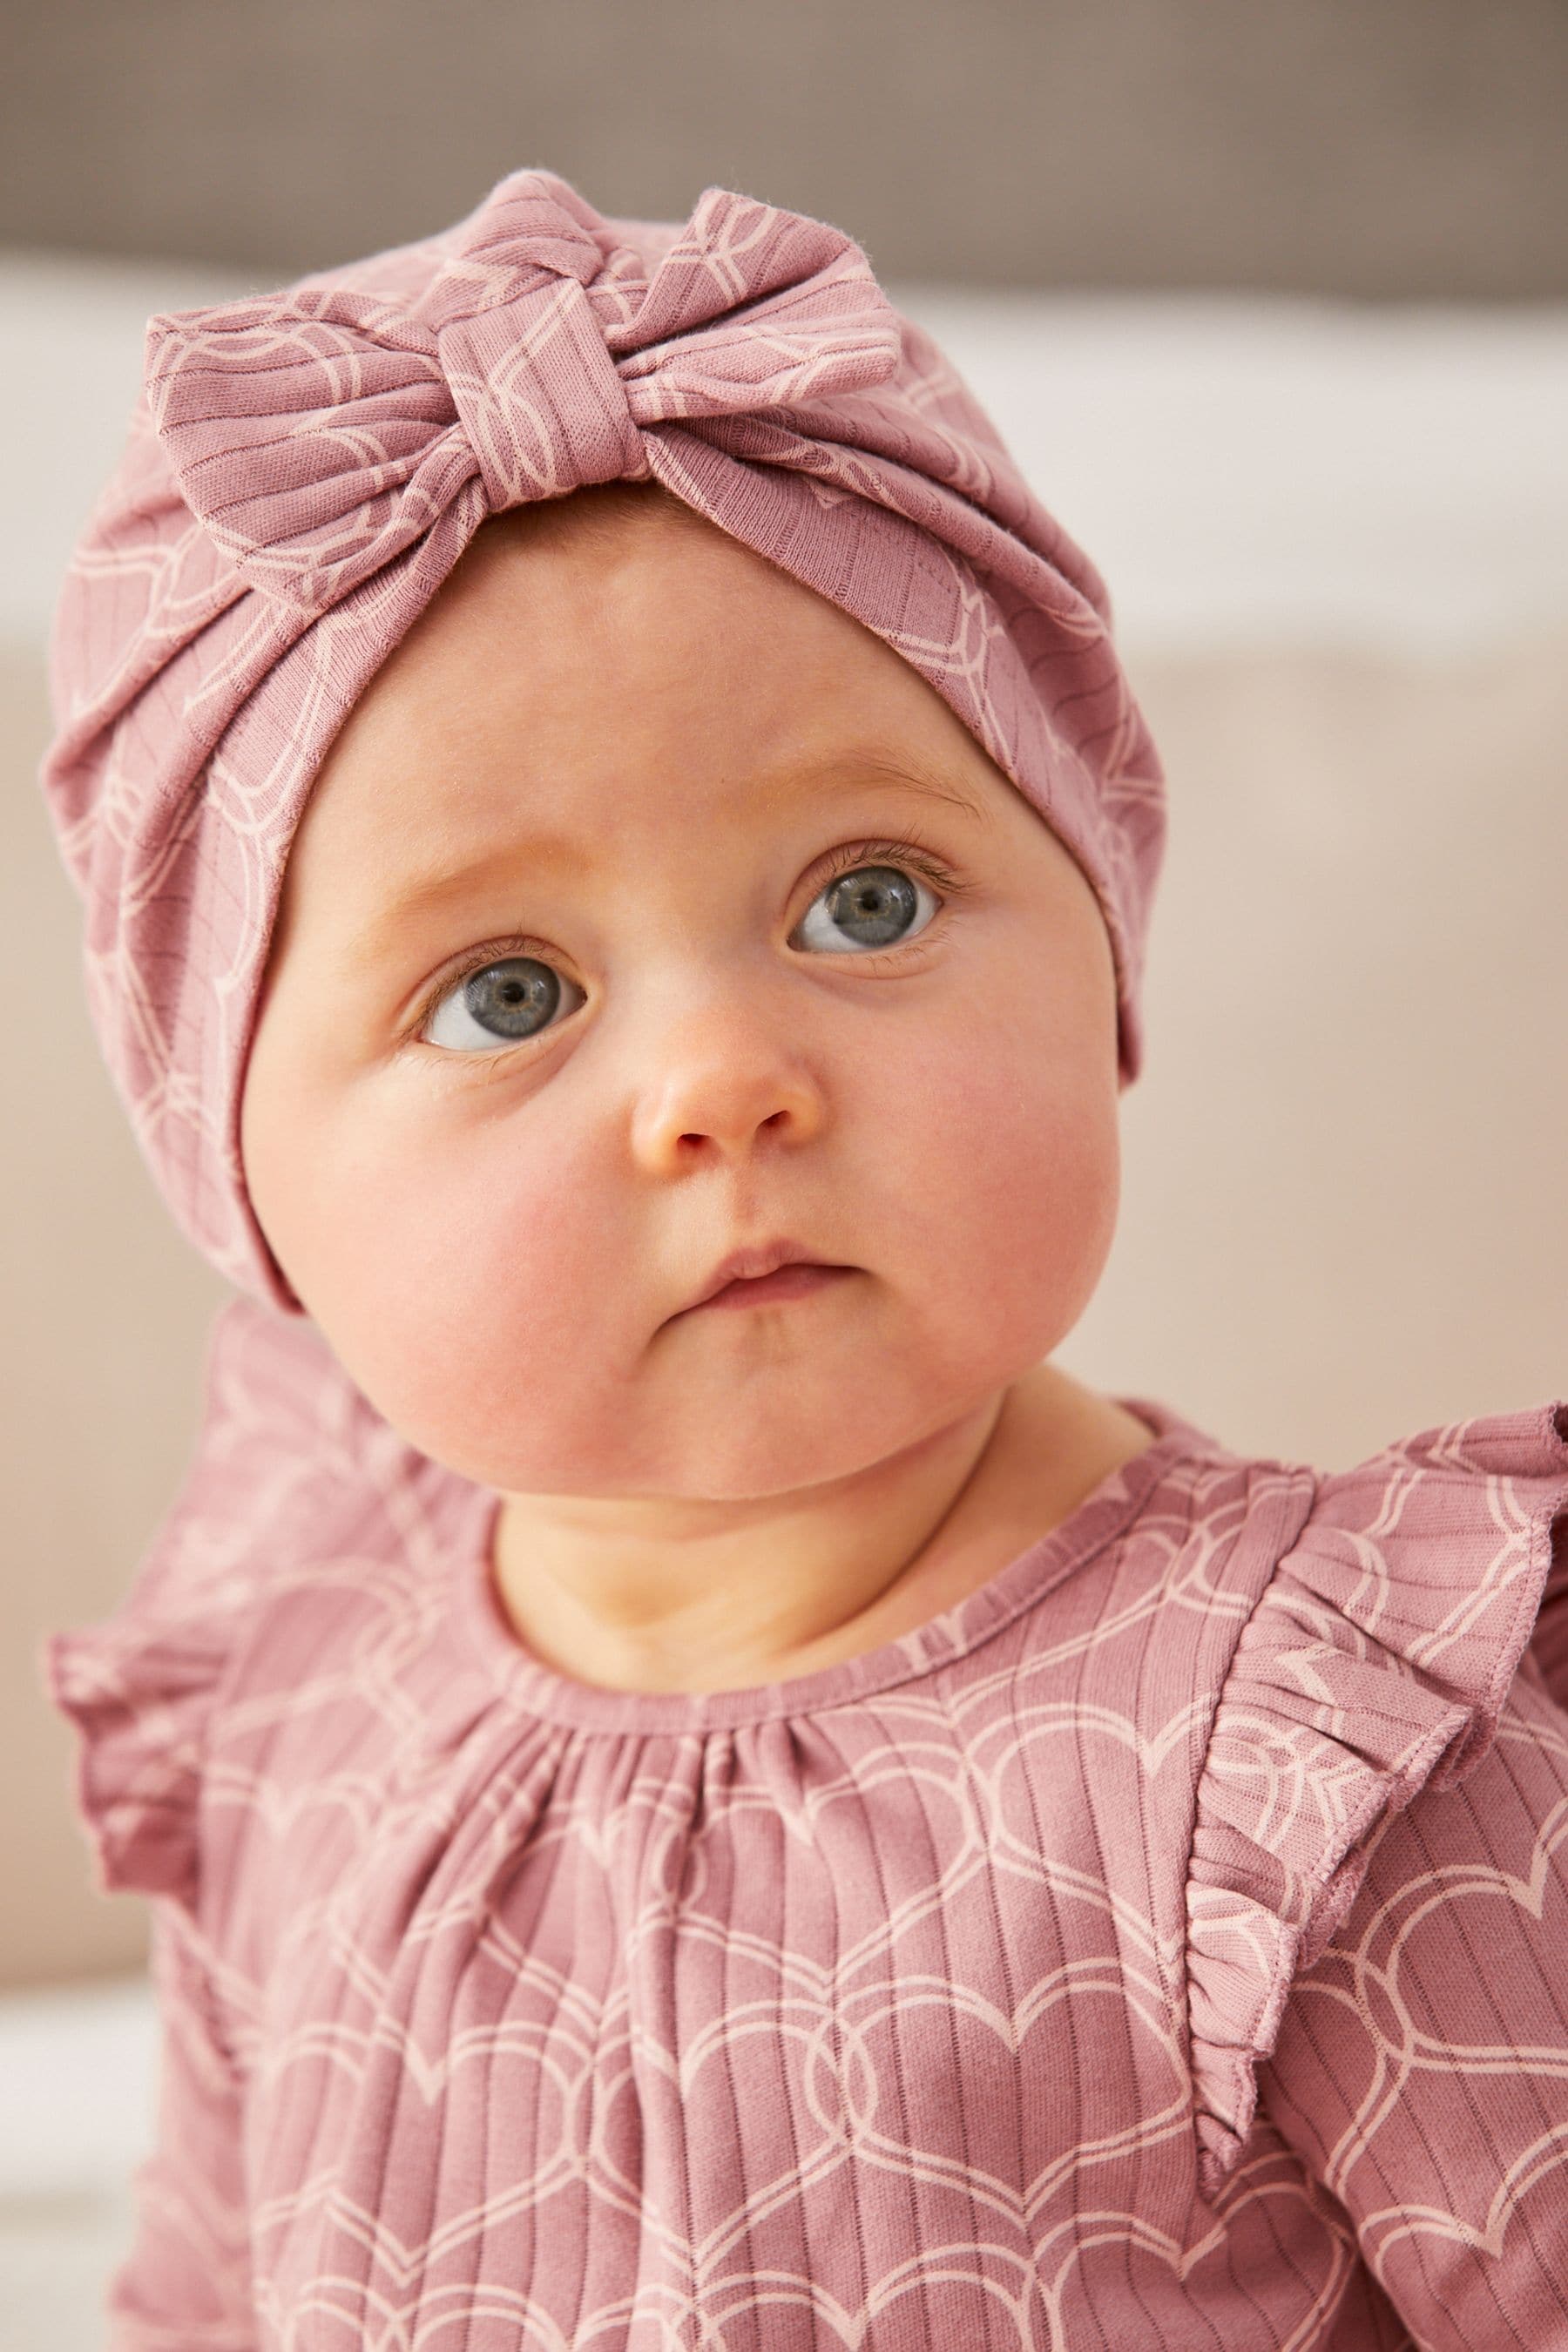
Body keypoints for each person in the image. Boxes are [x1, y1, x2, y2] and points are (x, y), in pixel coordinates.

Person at [38, 167, 1568, 2351]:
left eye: (865, 899)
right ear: (245, 1176)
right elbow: (200, 2305)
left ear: (1100, 939)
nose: (721, 1084)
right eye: (506, 994)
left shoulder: (1316, 1771)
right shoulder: (299, 1685)